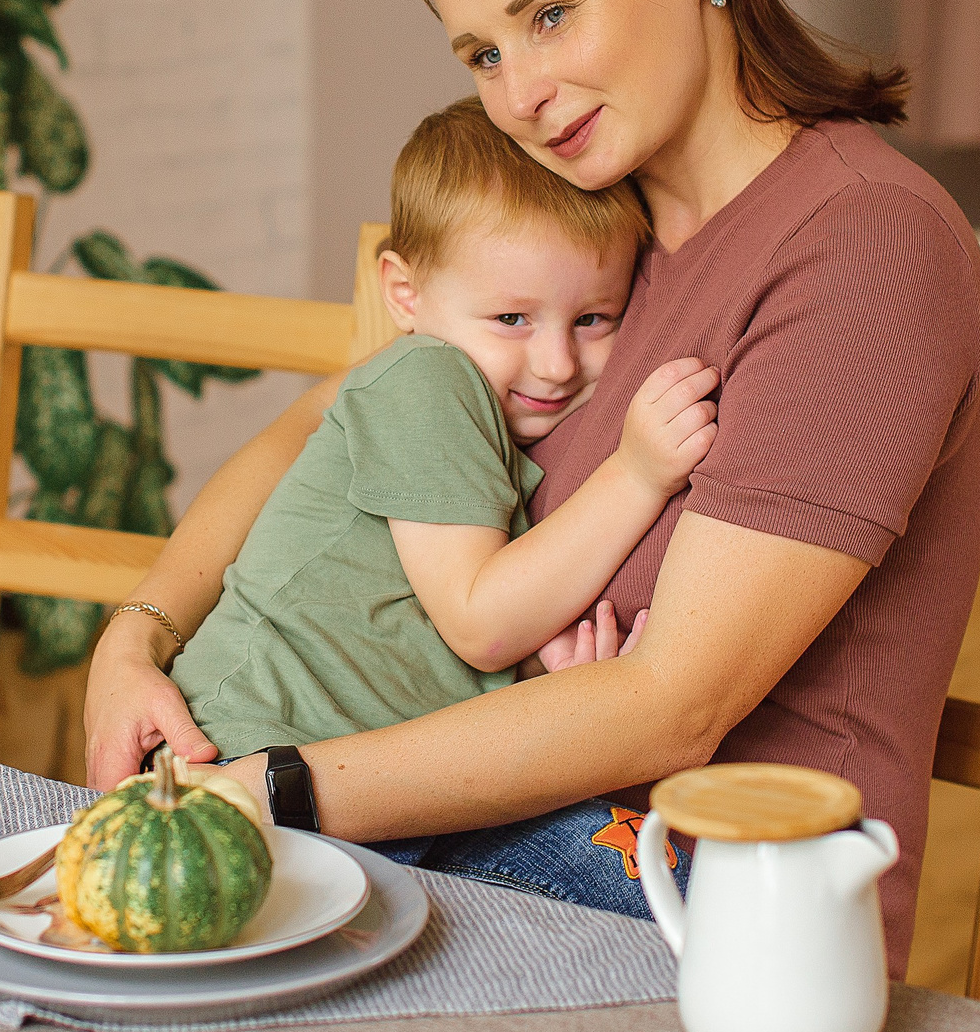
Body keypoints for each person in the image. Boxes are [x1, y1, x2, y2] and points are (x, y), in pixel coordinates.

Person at [85, 0, 980, 969]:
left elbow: (675, 704)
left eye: (550, 14)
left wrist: (282, 789)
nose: (518, 94)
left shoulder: (862, 248)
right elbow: (322, 418)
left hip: (718, 923)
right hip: (482, 840)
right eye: (483, 55)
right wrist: (136, 642)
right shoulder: (586, 239)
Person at [167, 97, 718, 760]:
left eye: (594, 318)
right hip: (238, 746)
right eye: (512, 319)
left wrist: (545, 679)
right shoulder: (428, 380)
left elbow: (425, 651)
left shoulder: (494, 413)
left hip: (352, 771)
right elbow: (479, 622)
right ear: (405, 295)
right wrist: (637, 475)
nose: (556, 364)